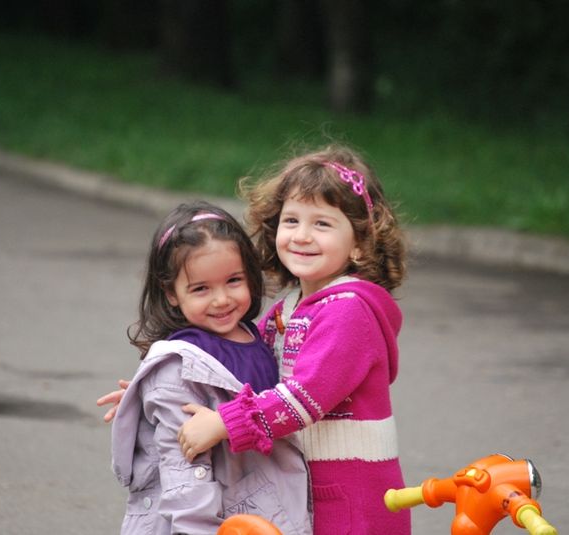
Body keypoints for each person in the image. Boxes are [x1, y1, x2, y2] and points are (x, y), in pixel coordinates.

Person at [175, 145, 412, 535]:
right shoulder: (288, 310)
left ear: (359, 242)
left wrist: (225, 422)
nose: (302, 236)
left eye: (322, 224)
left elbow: (305, 396)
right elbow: (240, 365)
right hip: (309, 488)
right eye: (291, 220)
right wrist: (163, 382)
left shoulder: (349, 311)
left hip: (354, 498)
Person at [106, 201, 311, 535]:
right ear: (171, 293)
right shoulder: (178, 368)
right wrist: (200, 529)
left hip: (260, 508)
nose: (221, 300)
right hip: (209, 521)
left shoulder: (254, 336)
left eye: (233, 280)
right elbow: (183, 469)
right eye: (201, 288)